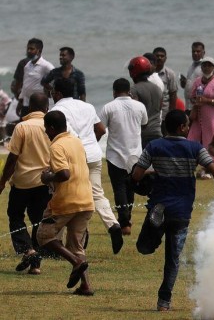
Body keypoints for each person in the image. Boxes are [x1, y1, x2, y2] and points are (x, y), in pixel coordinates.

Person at [132, 110, 214, 311]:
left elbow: (137, 174)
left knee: (144, 247)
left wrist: (151, 172)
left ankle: (156, 228)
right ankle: (164, 302)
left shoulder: (154, 146)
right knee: (173, 259)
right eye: (187, 125)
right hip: (182, 211)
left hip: (160, 204)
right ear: (181, 128)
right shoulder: (194, 148)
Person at [51, 78, 123, 254]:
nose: (51, 94)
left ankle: (57, 240)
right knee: (96, 193)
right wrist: (91, 145)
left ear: (58, 93)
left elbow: (66, 135)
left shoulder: (56, 110)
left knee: (65, 194)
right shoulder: (87, 106)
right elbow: (100, 130)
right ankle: (113, 225)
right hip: (94, 154)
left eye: (53, 91)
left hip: (74, 157)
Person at [37, 110, 95, 296]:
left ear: (52, 128)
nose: (46, 133)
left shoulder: (57, 146)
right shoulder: (76, 141)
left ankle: (75, 262)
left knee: (44, 236)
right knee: (77, 245)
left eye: (46, 129)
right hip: (86, 200)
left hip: (66, 201)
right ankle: (86, 286)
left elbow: (64, 174)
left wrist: (48, 177)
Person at [0, 93, 52, 275]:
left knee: (15, 216)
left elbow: (12, 158)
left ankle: (28, 250)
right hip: (44, 182)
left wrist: (2, 181)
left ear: (30, 107)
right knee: (38, 220)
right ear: (46, 107)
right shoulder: (52, 126)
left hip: (22, 182)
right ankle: (36, 264)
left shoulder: (22, 127)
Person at [98, 78, 148, 235]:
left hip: (115, 155)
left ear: (114, 92)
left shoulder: (108, 107)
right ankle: (127, 220)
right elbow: (144, 124)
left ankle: (124, 222)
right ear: (130, 92)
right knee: (130, 187)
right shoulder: (139, 106)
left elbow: (101, 128)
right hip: (135, 154)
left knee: (119, 188)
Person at [188, 56, 214, 179]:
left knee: (210, 142)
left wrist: (207, 100)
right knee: (191, 140)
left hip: (212, 117)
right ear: (201, 67)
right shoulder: (198, 81)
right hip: (198, 116)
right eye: (204, 65)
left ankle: (210, 168)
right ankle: (189, 165)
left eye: (209, 65)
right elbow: (192, 96)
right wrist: (196, 101)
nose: (206, 67)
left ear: (213, 67)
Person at [128, 55, 163, 148]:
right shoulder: (157, 89)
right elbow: (159, 108)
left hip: (142, 134)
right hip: (157, 132)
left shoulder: (133, 90)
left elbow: (133, 112)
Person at [17, 38, 54, 117]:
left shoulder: (46, 66)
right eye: (28, 48)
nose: (29, 51)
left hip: (39, 105)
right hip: (26, 104)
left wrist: (49, 89)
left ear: (39, 51)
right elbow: (25, 85)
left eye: (32, 49)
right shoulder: (27, 65)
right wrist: (20, 101)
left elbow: (56, 79)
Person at [153, 47, 178, 134]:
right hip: (151, 114)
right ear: (153, 57)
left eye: (162, 56)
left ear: (165, 58)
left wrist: (171, 114)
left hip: (165, 114)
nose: (159, 58)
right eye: (157, 56)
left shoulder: (170, 74)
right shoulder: (149, 73)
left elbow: (173, 94)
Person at [180, 41, 205, 114]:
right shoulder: (191, 66)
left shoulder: (206, 67)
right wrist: (184, 83)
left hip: (198, 107)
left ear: (203, 53)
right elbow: (191, 84)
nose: (195, 53)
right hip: (188, 105)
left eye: (198, 51)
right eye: (193, 51)